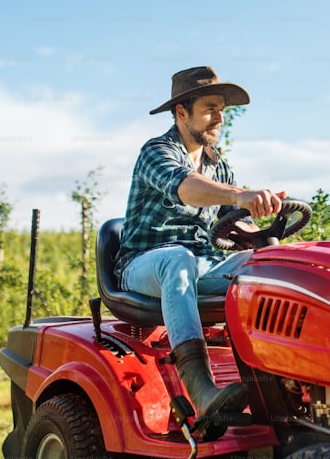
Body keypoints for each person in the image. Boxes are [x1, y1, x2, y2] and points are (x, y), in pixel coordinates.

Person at [115, 65, 285, 421]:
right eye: (210, 108)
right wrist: (241, 195)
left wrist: (263, 235)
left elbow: (236, 222)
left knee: (274, 266)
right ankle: (200, 390)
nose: (220, 117)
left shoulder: (219, 168)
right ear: (181, 112)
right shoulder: (157, 152)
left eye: (222, 109)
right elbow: (188, 189)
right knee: (177, 258)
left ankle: (283, 386)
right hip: (145, 264)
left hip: (202, 264)